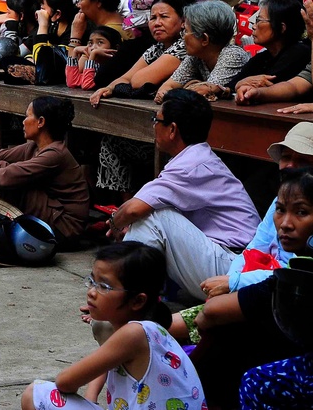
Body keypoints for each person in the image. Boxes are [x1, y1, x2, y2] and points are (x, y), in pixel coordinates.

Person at [190, 167, 313, 409]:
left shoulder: (309, 276)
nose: (285, 224)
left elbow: (212, 313)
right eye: (280, 210)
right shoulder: (299, 266)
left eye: (302, 212)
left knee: (255, 378)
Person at [107, 89, 259, 301]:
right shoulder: (195, 157)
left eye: (156, 119)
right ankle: (127, 293)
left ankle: (121, 297)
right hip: (224, 258)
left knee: (154, 217)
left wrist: (115, 224)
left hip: (233, 266)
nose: (154, 125)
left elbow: (134, 209)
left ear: (172, 129)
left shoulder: (192, 164)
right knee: (150, 216)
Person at [21, 242, 204, 410]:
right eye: (92, 281)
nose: (92, 292)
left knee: (36, 394)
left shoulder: (134, 333)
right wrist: (90, 399)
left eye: (104, 286)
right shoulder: (151, 331)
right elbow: (104, 363)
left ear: (138, 301)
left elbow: (64, 382)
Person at [0, 96, 89, 241]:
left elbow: (10, 175)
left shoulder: (56, 154)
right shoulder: (34, 147)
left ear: (40, 122)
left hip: (64, 224)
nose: (23, 121)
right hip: (51, 209)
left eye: (27, 116)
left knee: (4, 172)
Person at [91, 0, 186, 106]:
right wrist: (109, 88)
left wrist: (122, 86)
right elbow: (127, 77)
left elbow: (138, 81)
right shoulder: (157, 48)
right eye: (153, 18)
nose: (157, 23)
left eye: (164, 16)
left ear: (183, 21)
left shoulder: (183, 46)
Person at [154, 0, 249, 102]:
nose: (182, 38)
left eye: (185, 31)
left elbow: (201, 93)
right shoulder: (196, 56)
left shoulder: (233, 55)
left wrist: (182, 90)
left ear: (204, 39)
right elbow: (166, 87)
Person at [233, 0, 309, 104]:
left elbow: (266, 83)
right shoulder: (263, 57)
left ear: (282, 28)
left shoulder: (299, 53)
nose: (254, 26)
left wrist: (240, 84)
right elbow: (233, 84)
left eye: (259, 20)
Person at [65, 26, 122, 90]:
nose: (93, 48)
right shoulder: (95, 64)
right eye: (90, 43)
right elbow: (72, 83)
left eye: (100, 42)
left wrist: (92, 55)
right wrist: (75, 52)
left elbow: (87, 85)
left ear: (115, 47)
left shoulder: (113, 67)